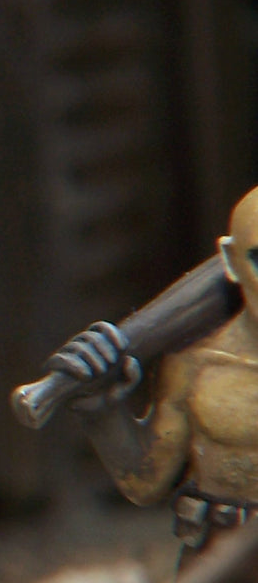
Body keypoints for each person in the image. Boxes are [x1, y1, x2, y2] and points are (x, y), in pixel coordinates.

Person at [53, 185, 258, 557]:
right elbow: (144, 482)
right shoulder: (196, 365)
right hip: (216, 555)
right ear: (230, 260)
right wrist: (100, 406)